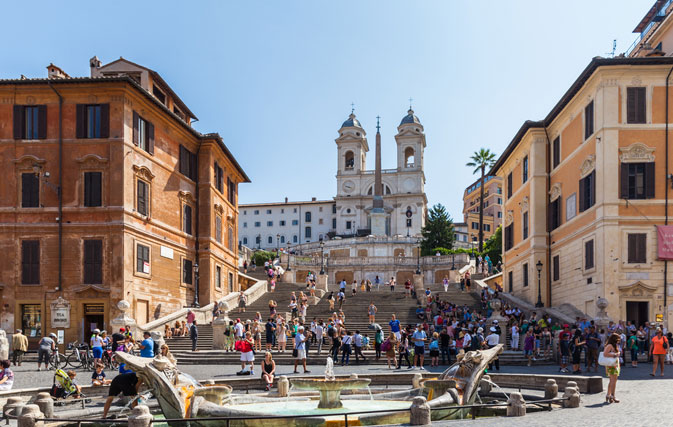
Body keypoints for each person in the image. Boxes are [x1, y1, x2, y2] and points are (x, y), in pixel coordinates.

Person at [603, 333, 621, 403]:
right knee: (613, 380)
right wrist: (615, 354)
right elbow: (605, 354)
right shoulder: (609, 345)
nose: (619, 340)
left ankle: (608, 394)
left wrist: (618, 353)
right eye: (618, 339)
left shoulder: (614, 345)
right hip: (611, 365)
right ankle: (612, 396)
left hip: (615, 364)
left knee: (613, 380)